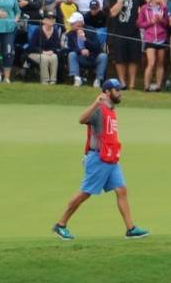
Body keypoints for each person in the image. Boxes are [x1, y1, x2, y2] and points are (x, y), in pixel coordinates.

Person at [52, 79, 150, 240]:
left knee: (121, 190)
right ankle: (60, 225)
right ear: (106, 92)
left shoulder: (111, 110)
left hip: (111, 158)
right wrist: (95, 103)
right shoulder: (99, 109)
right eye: (117, 90)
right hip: (98, 158)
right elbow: (82, 120)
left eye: (120, 90)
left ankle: (130, 229)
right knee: (85, 193)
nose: (120, 93)